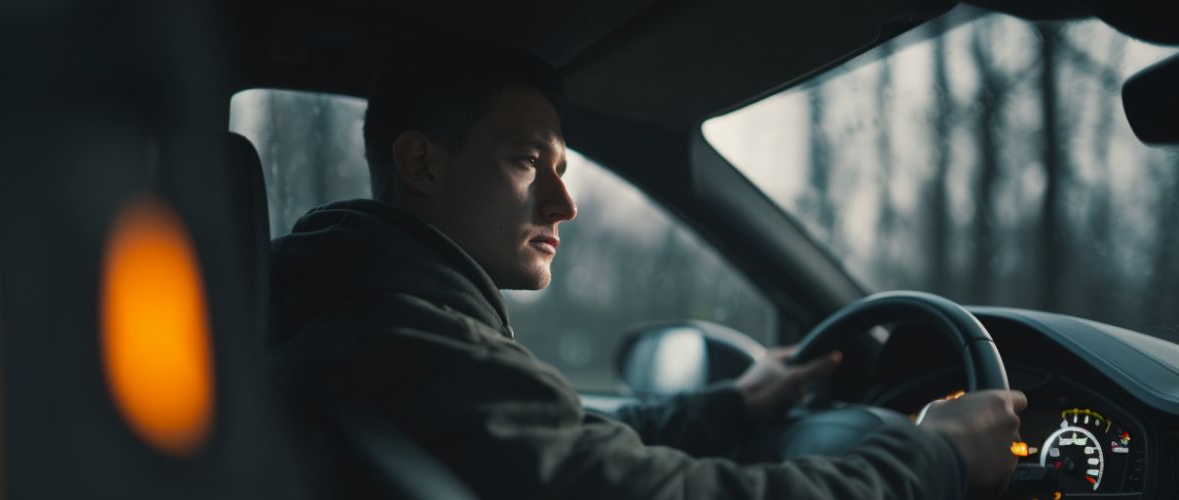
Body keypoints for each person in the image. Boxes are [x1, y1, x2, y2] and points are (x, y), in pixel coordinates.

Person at [268, 41, 1027, 499]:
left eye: (562, 169)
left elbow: (565, 449)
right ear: (422, 161)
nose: (564, 204)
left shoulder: (367, 309)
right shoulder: (402, 338)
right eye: (527, 161)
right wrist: (935, 456)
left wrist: (733, 403)